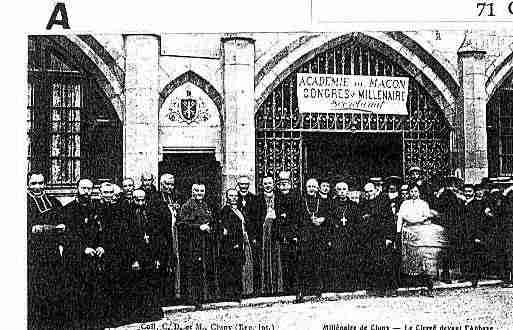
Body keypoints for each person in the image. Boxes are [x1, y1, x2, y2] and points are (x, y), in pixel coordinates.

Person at [60, 178, 106, 327]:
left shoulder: (98, 208)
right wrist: (82, 249)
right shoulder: (68, 209)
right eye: (83, 188)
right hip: (76, 262)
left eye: (89, 189)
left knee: (95, 297)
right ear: (77, 188)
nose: (86, 192)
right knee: (77, 298)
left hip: (94, 261)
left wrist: (101, 246)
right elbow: (66, 236)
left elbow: (104, 231)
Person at [27, 173, 64, 329]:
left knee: (53, 290)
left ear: (46, 184)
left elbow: (63, 226)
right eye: (34, 183)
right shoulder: (24, 202)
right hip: (32, 254)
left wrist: (45, 229)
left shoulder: (54, 202)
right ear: (28, 184)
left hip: (52, 253)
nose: (37, 187)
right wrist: (53, 228)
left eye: (41, 183)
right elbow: (32, 229)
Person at [397, 184, 446, 297]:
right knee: (410, 256)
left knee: (422, 255)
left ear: (419, 192)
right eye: (411, 191)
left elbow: (426, 217)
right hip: (408, 231)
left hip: (420, 231)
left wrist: (420, 220)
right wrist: (398, 231)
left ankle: (425, 281)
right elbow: (401, 217)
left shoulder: (424, 204)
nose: (413, 194)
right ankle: (410, 280)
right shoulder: (405, 203)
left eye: (415, 191)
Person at [126, 189, 167, 322]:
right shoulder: (128, 215)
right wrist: (134, 259)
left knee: (151, 284)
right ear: (132, 199)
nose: (140, 202)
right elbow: (127, 240)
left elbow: (156, 236)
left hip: (150, 255)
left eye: (143, 200)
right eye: (137, 200)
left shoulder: (150, 214)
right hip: (136, 255)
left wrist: (157, 257)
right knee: (137, 286)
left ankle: (151, 313)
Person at [177, 183, 218, 307]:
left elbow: (211, 220)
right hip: (192, 244)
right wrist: (199, 227)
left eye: (202, 191)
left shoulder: (205, 205)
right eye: (197, 191)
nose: (199, 193)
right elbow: (182, 225)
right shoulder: (187, 206)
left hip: (205, 243)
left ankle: (204, 296)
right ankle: (192, 298)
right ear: (192, 192)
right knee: (193, 270)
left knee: (204, 268)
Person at [218, 188, 255, 301]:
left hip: (242, 241)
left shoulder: (238, 210)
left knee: (241, 266)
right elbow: (227, 229)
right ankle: (232, 294)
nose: (233, 198)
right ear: (226, 197)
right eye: (231, 196)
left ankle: (243, 291)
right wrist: (234, 242)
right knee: (232, 268)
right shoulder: (225, 210)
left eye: (235, 196)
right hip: (232, 244)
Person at [297, 178, 331, 299]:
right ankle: (302, 291)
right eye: (309, 186)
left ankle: (318, 290)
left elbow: (328, 216)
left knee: (317, 263)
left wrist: (322, 219)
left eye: (314, 186)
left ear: (317, 189)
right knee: (303, 264)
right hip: (304, 236)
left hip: (318, 236)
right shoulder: (301, 201)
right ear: (306, 188)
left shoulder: (322, 201)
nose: (312, 189)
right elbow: (296, 218)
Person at [359, 182, 394, 294]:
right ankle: (373, 288)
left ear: (375, 190)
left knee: (383, 262)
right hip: (369, 237)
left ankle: (385, 288)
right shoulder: (363, 203)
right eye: (366, 192)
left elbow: (389, 220)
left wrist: (389, 237)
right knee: (371, 262)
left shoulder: (383, 201)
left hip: (381, 236)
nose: (369, 194)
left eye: (370, 191)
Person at [152, 173, 181, 304]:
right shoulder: (156, 199)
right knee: (163, 266)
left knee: (174, 264)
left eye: (172, 184)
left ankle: (173, 295)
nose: (170, 187)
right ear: (161, 184)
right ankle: (162, 297)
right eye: (167, 184)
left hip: (175, 235)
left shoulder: (175, 197)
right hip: (163, 237)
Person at [328, 181, 360, 292]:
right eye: (339, 189)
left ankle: (350, 286)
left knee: (350, 261)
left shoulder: (353, 205)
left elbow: (357, 222)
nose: (342, 192)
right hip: (337, 237)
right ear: (336, 191)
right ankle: (338, 287)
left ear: (348, 191)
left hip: (350, 237)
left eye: (344, 189)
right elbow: (329, 222)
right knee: (337, 261)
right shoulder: (331, 204)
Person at [255, 176, 284, 296]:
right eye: (265, 183)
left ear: (274, 184)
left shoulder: (280, 198)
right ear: (262, 185)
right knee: (264, 258)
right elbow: (254, 217)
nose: (268, 185)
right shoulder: (257, 199)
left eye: (270, 183)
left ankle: (278, 288)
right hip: (263, 233)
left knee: (276, 258)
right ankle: (265, 288)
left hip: (276, 232)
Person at [462, 184, 492, 287]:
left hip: (474, 235)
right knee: (466, 256)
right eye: (465, 191)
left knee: (475, 257)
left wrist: (478, 236)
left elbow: (480, 223)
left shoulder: (478, 205)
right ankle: (466, 276)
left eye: (469, 191)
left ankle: (475, 279)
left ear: (473, 193)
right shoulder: (461, 204)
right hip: (464, 235)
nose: (467, 193)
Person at [275, 170, 300, 295]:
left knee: (294, 262)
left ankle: (295, 288)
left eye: (286, 183)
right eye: (281, 184)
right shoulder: (277, 197)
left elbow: (297, 217)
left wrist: (295, 234)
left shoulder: (296, 197)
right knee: (283, 262)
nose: (284, 186)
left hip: (293, 235)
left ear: (290, 184)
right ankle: (286, 289)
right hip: (282, 235)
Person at [236, 175, 260, 294]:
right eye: (242, 184)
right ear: (238, 184)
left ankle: (253, 289)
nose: (244, 187)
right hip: (239, 235)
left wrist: (255, 236)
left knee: (254, 261)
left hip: (252, 235)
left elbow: (257, 218)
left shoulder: (254, 198)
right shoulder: (234, 197)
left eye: (246, 184)